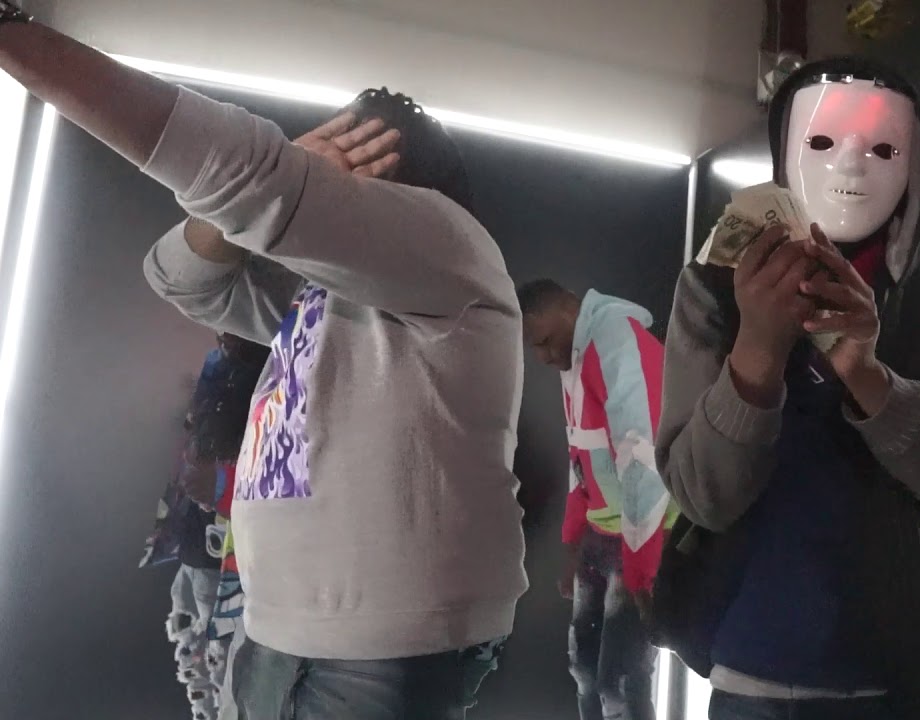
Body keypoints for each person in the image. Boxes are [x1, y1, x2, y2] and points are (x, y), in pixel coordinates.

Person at [0, 10, 528, 718]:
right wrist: (263, 196)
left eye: (350, 156)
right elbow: (180, 279)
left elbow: (252, 181)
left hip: (381, 648)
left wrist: (17, 40)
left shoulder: (451, 245)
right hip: (275, 628)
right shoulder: (323, 297)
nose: (326, 173)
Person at [655, 57, 920, 720]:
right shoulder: (712, 289)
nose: (851, 165)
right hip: (752, 673)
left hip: (915, 680)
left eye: (883, 148)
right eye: (822, 141)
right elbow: (703, 497)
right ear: (783, 153)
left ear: (915, 166)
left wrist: (869, 375)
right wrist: (757, 350)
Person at [518, 279, 678, 720]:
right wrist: (573, 541)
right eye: (534, 348)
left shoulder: (615, 338)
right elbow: (581, 453)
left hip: (644, 533)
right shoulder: (577, 353)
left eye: (545, 341)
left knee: (620, 681)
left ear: (571, 309)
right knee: (585, 670)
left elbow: (643, 455)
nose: (542, 357)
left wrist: (642, 569)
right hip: (602, 533)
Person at [141, 333, 269, 720]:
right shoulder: (215, 370)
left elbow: (273, 475)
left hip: (226, 556)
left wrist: (219, 486)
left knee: (222, 658)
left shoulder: (266, 377)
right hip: (196, 546)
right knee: (193, 649)